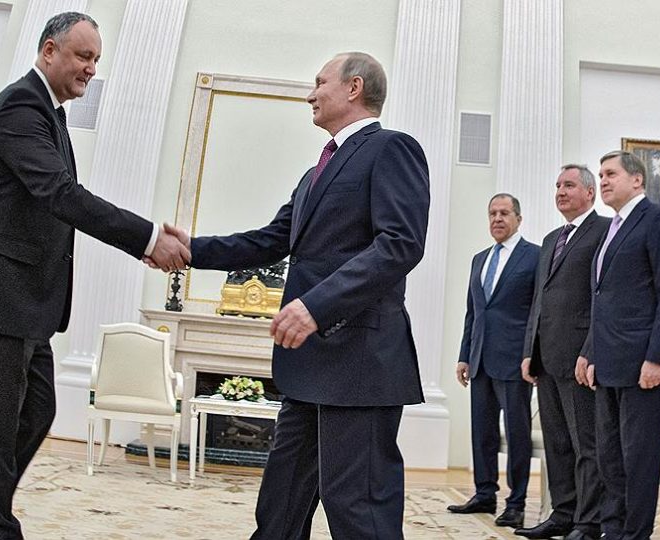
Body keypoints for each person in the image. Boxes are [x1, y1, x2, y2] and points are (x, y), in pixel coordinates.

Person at [0, 12, 187, 539]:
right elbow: (61, 195)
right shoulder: (20, 107)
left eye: (96, 59)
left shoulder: (50, 113)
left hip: (24, 305)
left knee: (36, 413)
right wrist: (146, 239)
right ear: (50, 51)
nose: (92, 68)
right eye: (83, 56)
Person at [168, 52, 429, 539]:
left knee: (358, 512)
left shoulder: (391, 148)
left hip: (360, 363)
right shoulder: (314, 175)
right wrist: (190, 250)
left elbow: (400, 245)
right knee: (280, 505)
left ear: (353, 87)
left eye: (319, 82)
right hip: (308, 366)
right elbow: (270, 240)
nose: (311, 93)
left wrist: (317, 306)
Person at [579, 150, 660, 540]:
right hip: (608, 362)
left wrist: (658, 357)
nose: (603, 181)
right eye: (601, 175)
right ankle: (612, 530)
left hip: (643, 363)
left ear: (637, 179)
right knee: (609, 456)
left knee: (637, 458)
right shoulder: (613, 228)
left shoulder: (658, 220)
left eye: (611, 174)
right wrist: (590, 352)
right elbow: (603, 298)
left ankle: (635, 534)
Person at [515, 165, 609, 540]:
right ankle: (563, 513)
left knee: (586, 444)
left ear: (590, 192)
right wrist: (529, 350)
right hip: (547, 358)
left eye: (569, 185)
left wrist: (592, 350)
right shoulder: (551, 238)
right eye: (557, 186)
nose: (561, 191)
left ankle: (588, 522)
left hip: (580, 359)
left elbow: (603, 297)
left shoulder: (604, 232)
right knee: (557, 443)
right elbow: (539, 300)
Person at [447, 194, 539, 529]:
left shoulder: (535, 256)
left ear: (518, 218)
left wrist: (532, 355)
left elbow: (537, 313)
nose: (497, 219)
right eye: (492, 214)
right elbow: (473, 312)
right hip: (480, 360)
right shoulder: (479, 259)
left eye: (504, 213)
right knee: (482, 432)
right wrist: (464, 355)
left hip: (515, 362)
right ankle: (484, 493)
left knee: (516, 435)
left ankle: (516, 502)